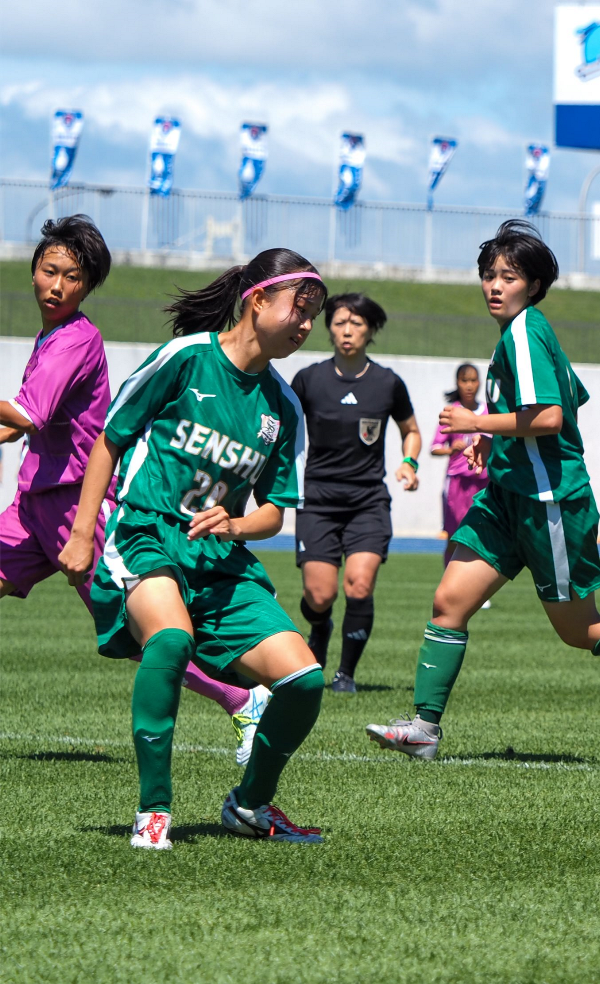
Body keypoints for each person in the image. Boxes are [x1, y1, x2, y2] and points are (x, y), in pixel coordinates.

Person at [365, 221, 600, 760]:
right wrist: (495, 438)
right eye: (488, 275)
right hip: (508, 495)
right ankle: (424, 729)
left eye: (508, 276)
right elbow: (569, 394)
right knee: (449, 601)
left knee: (581, 630)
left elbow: (550, 416)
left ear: (533, 284)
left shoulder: (526, 332)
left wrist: (477, 424)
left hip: (549, 502)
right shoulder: (523, 333)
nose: (494, 286)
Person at [56, 248, 331, 850]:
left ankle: (251, 806)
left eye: (314, 314)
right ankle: (153, 812)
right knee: (172, 640)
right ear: (258, 300)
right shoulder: (185, 359)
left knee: (305, 680)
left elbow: (273, 512)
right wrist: (82, 533)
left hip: (220, 558)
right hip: (147, 532)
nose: (307, 326)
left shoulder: (282, 406)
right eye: (299, 309)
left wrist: (235, 526)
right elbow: (110, 439)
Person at [0, 215, 270, 766]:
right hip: (35, 506)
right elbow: (25, 422)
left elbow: (28, 414)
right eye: (49, 271)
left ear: (88, 286)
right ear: (31, 272)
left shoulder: (75, 340)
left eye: (71, 277)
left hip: (79, 506)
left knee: (142, 632)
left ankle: (243, 699)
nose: (57, 285)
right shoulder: (52, 333)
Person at [290, 293, 420, 693]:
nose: (347, 331)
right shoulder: (308, 380)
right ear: (328, 327)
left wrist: (409, 463)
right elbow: (281, 430)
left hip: (368, 501)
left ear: (371, 331)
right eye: (340, 322)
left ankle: (345, 673)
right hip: (318, 502)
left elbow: (410, 430)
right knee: (319, 594)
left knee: (359, 586)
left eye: (357, 324)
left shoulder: (387, 383)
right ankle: (319, 626)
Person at [430, 363, 489, 564]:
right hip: (457, 484)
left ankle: (478, 593)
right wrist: (450, 449)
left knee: (482, 538)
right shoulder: (452, 413)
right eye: (465, 381)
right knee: (455, 538)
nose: (469, 386)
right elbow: (434, 447)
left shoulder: (488, 411)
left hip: (483, 483)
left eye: (473, 380)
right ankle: (451, 584)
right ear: (458, 383)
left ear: (480, 382)